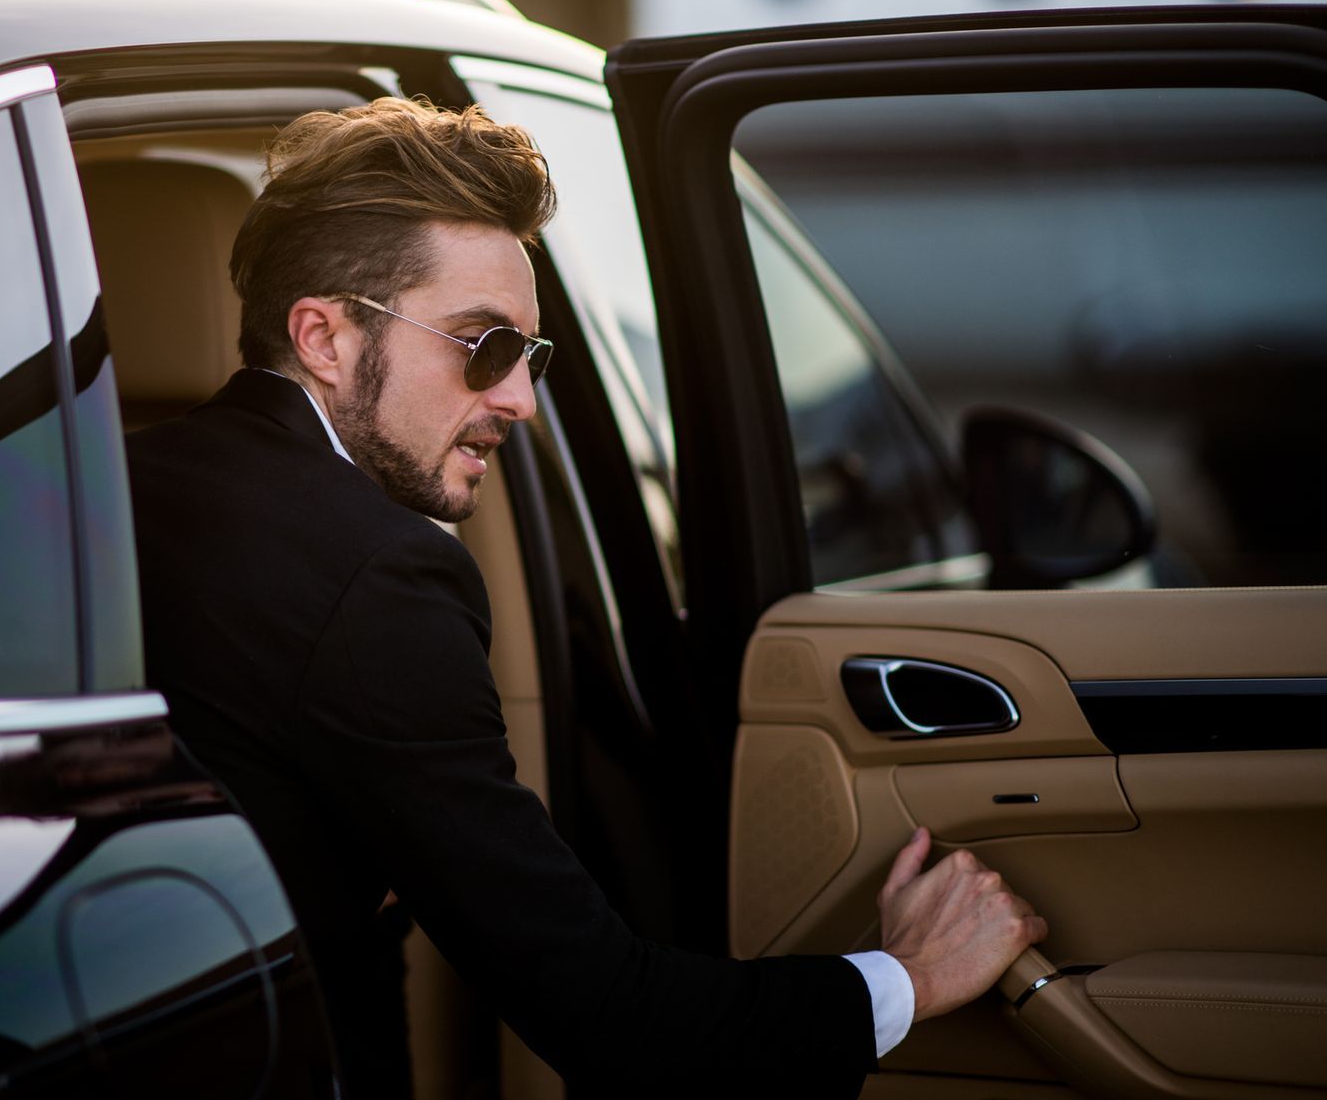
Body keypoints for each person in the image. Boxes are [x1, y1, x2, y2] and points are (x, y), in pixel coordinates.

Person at [126, 97, 1046, 1096]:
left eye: (532, 355)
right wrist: (904, 977)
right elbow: (609, 1017)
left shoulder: (109, 494)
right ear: (324, 336)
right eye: (483, 347)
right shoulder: (382, 578)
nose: (519, 399)